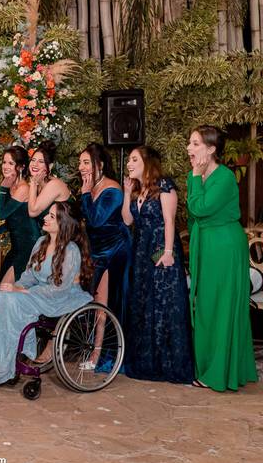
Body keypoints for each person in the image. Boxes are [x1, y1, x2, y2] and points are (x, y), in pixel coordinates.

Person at [0, 202, 94, 386]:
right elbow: (29, 276)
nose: (45, 218)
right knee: (1, 297)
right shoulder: (40, 243)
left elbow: (59, 289)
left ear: (64, 223)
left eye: (51, 216)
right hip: (37, 294)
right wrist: (15, 287)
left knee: (13, 301)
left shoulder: (71, 251)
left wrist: (23, 292)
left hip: (61, 297)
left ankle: (15, 357)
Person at [186, 125, 257, 391]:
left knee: (221, 307)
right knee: (206, 306)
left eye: (195, 143)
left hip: (225, 247)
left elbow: (200, 208)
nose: (189, 148)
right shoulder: (194, 176)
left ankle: (217, 373)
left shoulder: (224, 177)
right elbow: (194, 216)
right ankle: (207, 366)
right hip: (206, 245)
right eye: (190, 143)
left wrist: (195, 178)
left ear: (211, 149)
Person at [121, 146, 193, 383]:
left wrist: (169, 252)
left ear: (147, 162)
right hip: (142, 252)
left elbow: (169, 221)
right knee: (144, 303)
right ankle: (147, 361)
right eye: (129, 160)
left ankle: (167, 363)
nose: (129, 164)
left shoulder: (164, 185)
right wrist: (126, 193)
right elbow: (127, 220)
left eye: (134, 159)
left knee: (162, 304)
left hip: (161, 250)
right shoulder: (137, 190)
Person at [78, 142, 131, 369]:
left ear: (99, 164)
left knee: (105, 303)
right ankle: (95, 351)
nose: (81, 167)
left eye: (86, 162)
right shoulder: (90, 186)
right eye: (80, 163)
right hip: (96, 250)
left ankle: (102, 356)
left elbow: (96, 220)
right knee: (95, 301)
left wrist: (84, 194)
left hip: (115, 250)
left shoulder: (113, 189)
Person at [0, 146, 40, 287]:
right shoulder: (12, 186)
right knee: (0, 287)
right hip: (16, 247)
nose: (5, 166)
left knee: (4, 289)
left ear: (21, 167)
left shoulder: (23, 188)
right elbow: (13, 221)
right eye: (4, 162)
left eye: (11, 163)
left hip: (28, 247)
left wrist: (3, 188)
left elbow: (2, 214)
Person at [27, 141, 71, 226]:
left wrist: (33, 184)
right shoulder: (38, 182)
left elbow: (32, 212)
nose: (35, 164)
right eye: (33, 160)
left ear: (50, 166)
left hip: (64, 232)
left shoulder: (54, 184)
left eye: (41, 161)